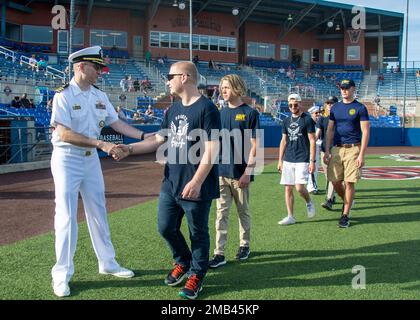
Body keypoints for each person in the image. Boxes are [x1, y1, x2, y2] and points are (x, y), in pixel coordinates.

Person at [113, 61, 221, 300]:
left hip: (196, 185)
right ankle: (183, 261)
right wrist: (129, 149)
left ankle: (197, 275)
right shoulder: (172, 110)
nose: (167, 81)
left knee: (198, 233)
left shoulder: (207, 108)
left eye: (170, 76)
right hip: (171, 181)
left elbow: (213, 149)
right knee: (165, 227)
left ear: (184, 77)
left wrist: (196, 181)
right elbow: (158, 140)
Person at [50, 46, 150, 298]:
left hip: (90, 159)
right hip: (66, 159)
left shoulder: (99, 95)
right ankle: (61, 275)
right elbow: (63, 133)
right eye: (97, 68)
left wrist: (143, 135)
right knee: (66, 216)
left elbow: (115, 123)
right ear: (81, 67)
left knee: (98, 211)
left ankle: (108, 263)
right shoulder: (63, 95)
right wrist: (102, 144)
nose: (101, 73)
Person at [208, 74, 259, 269]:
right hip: (220, 172)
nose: (223, 90)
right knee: (221, 213)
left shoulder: (250, 113)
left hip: (240, 173)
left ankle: (244, 245)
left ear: (237, 88)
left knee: (242, 211)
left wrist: (248, 171)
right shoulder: (218, 113)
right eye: (221, 87)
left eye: (226, 87)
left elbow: (256, 146)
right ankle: (219, 253)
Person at [323, 79, 370, 228]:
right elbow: (330, 129)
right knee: (335, 181)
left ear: (353, 89)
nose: (344, 90)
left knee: (349, 183)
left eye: (347, 88)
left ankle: (345, 215)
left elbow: (366, 131)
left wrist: (361, 154)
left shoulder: (360, 108)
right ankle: (348, 201)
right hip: (337, 148)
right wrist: (327, 150)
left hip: (353, 149)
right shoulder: (335, 108)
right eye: (342, 88)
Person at [277, 93, 316, 225]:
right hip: (288, 157)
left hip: (302, 158)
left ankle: (309, 202)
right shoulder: (286, 121)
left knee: (299, 188)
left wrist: (312, 161)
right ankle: (290, 216)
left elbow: (312, 140)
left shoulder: (307, 119)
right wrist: (280, 160)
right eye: (290, 105)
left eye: (295, 104)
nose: (293, 107)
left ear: (300, 104)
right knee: (288, 188)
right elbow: (283, 140)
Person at [319, 96, 338, 210]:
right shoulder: (322, 119)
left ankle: (329, 199)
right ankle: (333, 194)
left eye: (332, 103)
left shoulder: (340, 118)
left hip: (336, 149)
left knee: (332, 176)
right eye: (328, 103)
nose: (330, 105)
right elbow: (317, 132)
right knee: (328, 175)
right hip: (324, 149)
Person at [306, 105, 321, 195]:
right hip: (310, 148)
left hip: (316, 147)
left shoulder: (319, 122)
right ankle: (311, 187)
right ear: (311, 114)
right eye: (316, 113)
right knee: (312, 167)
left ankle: (311, 186)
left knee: (314, 167)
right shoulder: (309, 122)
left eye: (319, 113)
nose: (318, 114)